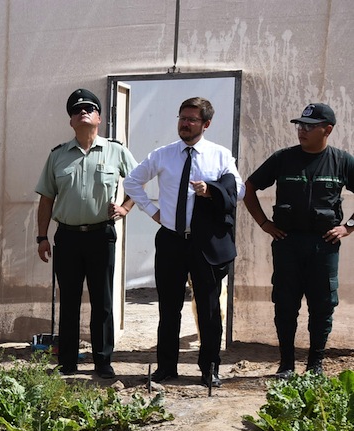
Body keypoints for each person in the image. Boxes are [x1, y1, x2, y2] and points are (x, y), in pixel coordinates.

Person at [123, 97, 244, 387]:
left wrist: (210, 191)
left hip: (205, 243)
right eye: (182, 118)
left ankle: (209, 368)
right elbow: (131, 182)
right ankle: (166, 367)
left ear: (206, 124)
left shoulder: (220, 155)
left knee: (209, 307)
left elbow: (238, 190)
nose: (185, 123)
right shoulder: (163, 155)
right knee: (169, 307)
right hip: (171, 240)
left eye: (191, 119)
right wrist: (154, 212)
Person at [243, 103, 354, 377]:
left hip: (323, 246)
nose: (302, 131)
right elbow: (248, 187)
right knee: (285, 303)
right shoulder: (283, 158)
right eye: (300, 125)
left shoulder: (341, 161)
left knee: (322, 306)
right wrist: (264, 224)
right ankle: (287, 364)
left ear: (327, 129)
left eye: (309, 126)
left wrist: (348, 227)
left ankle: (315, 364)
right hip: (287, 244)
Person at [35, 88, 138, 379]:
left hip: (100, 236)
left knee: (102, 301)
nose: (83, 112)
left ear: (99, 118)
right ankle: (67, 362)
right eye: (77, 110)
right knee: (68, 300)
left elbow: (138, 184)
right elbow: (46, 199)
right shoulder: (57, 156)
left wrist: (126, 207)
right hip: (67, 237)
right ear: (71, 122)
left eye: (89, 109)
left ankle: (103, 362)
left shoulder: (116, 151)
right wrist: (42, 237)